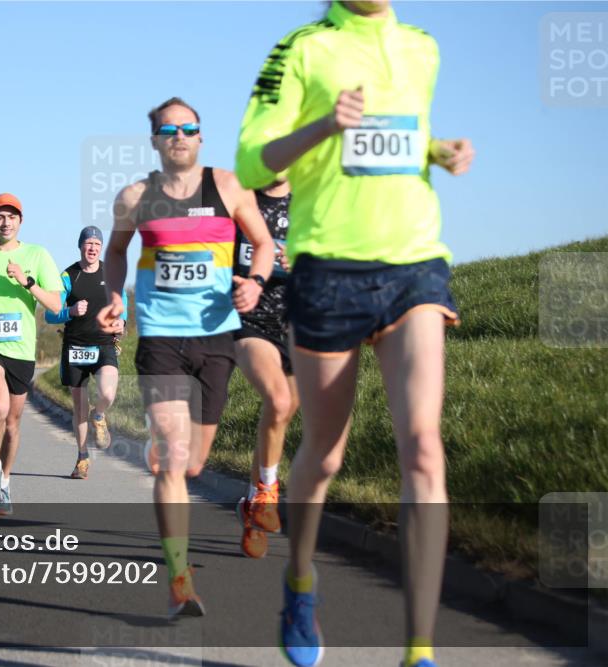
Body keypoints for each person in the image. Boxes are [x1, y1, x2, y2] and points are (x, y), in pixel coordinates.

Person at [235, 2, 475, 666]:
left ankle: (419, 649)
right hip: (329, 268)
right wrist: (322, 123)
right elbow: (251, 160)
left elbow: (397, 138)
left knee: (425, 450)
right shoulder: (301, 49)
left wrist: (437, 149)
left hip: (414, 264)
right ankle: (301, 581)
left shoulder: (422, 47)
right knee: (324, 458)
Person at [97, 97, 275, 618]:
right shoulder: (135, 196)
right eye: (168, 129)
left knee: (194, 462)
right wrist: (115, 295)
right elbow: (115, 252)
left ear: (201, 137)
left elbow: (262, 244)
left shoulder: (228, 188)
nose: (179, 135)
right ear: (154, 140)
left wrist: (256, 284)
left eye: (188, 127)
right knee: (175, 459)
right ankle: (178, 577)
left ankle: (242, 501)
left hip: (216, 337)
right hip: (161, 340)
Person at [0, 193, 64, 515]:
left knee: (14, 423)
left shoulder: (38, 255)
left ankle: (4, 482)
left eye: (12, 217)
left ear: (20, 221)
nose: (6, 223)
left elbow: (56, 305)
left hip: (21, 348)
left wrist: (27, 282)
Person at [232, 179, 299, 559]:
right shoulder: (239, 201)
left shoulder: (310, 200)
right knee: (277, 399)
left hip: (297, 320)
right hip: (249, 319)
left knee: (285, 411)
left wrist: (304, 259)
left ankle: (252, 503)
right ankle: (267, 492)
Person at [45, 225, 127, 480]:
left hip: (104, 345)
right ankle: (82, 458)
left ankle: (99, 414)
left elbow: (121, 304)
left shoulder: (110, 272)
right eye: (87, 243)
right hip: (75, 347)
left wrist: (122, 322)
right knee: (79, 409)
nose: (92, 248)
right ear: (80, 246)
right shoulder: (68, 277)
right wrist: (69, 311)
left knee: (107, 392)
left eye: (96, 244)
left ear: (100, 248)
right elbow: (50, 312)